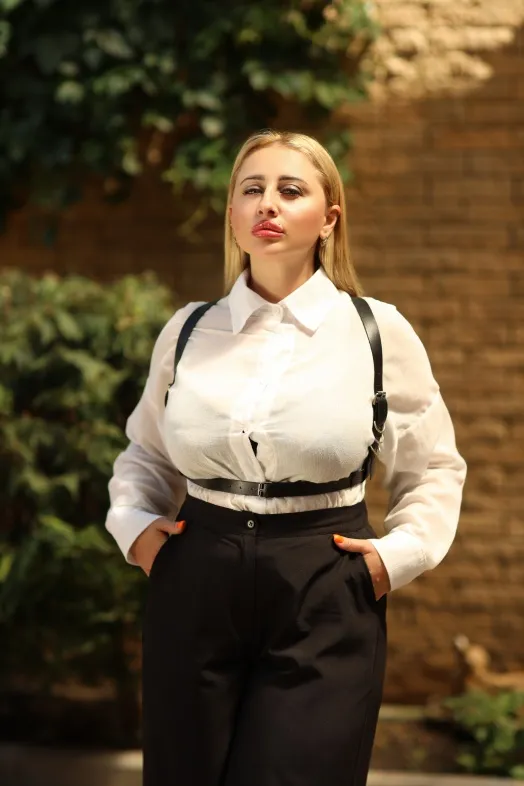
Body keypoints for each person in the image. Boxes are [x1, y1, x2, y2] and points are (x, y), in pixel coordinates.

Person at [105, 129, 467, 786]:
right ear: (234, 217)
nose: (267, 203)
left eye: (290, 189)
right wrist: (136, 531)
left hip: (325, 584)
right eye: (253, 189)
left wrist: (394, 558)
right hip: (196, 574)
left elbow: (433, 466)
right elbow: (146, 454)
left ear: (329, 218)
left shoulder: (376, 331)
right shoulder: (188, 331)